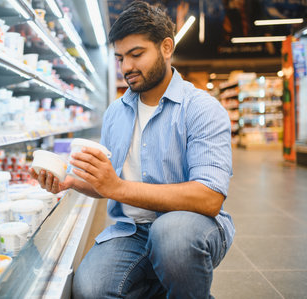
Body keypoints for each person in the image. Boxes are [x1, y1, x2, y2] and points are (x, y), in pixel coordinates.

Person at [29, 1, 234, 298]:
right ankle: (168, 282)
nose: (126, 67)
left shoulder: (202, 109)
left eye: (136, 55)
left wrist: (118, 188)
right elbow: (109, 184)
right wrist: (72, 182)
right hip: (133, 231)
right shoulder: (116, 113)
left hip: (191, 226)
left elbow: (209, 198)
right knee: (91, 289)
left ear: (166, 48)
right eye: (120, 58)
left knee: (171, 239)